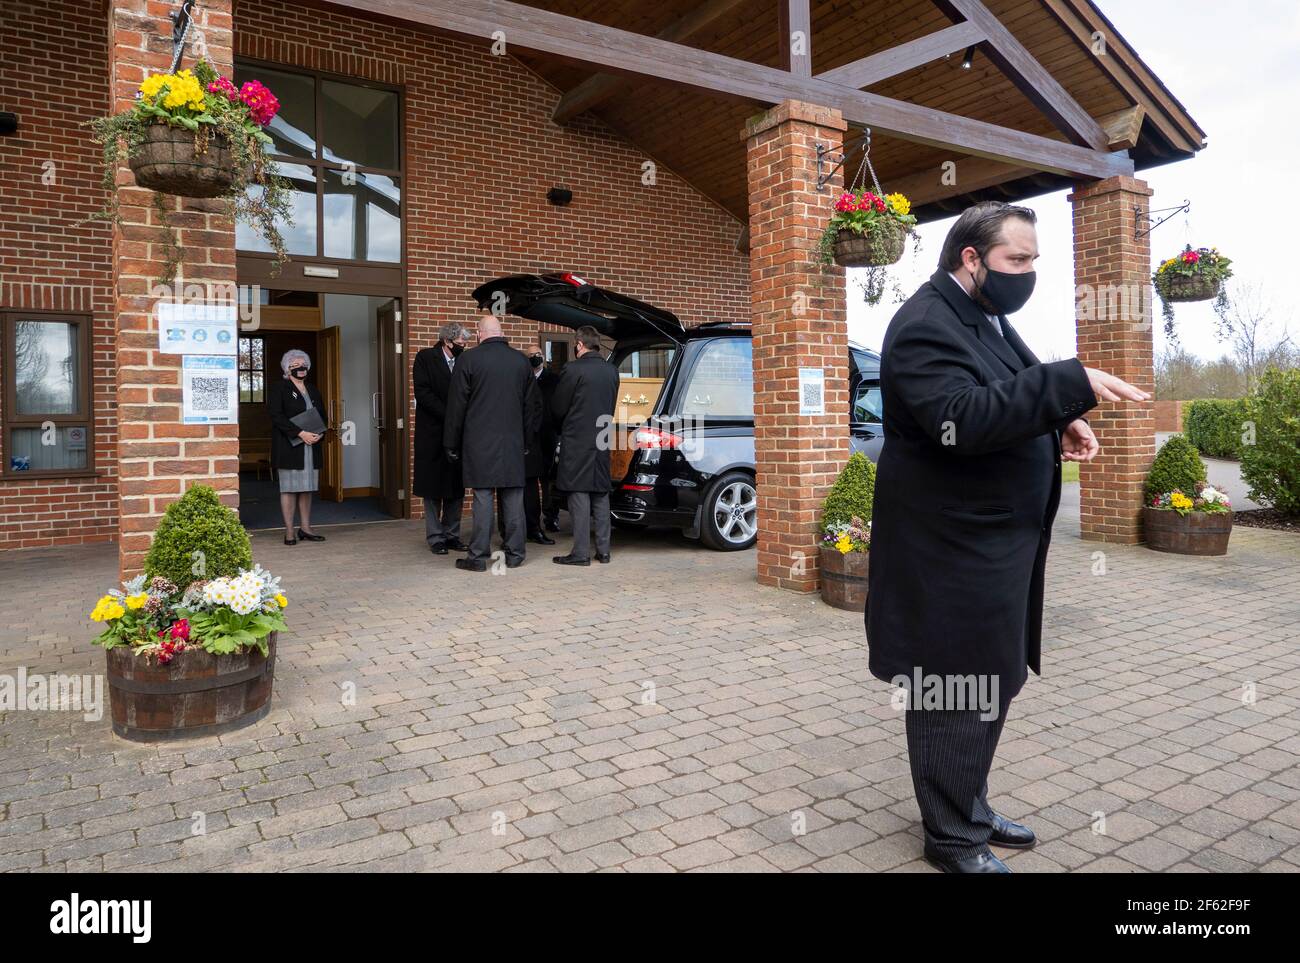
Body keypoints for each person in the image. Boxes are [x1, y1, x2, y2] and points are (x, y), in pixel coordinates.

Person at [865, 201, 1149, 874]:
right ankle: (952, 836)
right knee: (955, 686)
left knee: (995, 677)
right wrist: (1071, 382)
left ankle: (970, 803)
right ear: (972, 258)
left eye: (1033, 260)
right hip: (948, 551)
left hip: (995, 548)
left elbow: (1011, 391)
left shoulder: (983, 317)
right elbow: (957, 417)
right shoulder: (925, 325)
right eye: (1017, 260)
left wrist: (1059, 421)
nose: (1029, 273)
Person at [443, 310, 541, 572]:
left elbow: (457, 407)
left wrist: (451, 443)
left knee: (483, 498)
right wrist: (526, 440)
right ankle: (516, 554)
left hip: (478, 442)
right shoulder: (521, 362)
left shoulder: (469, 360)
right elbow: (530, 406)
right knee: (513, 498)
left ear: (479, 334)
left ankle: (477, 557)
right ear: (500, 333)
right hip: (513, 442)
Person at [551, 326, 620, 566]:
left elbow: (559, 407)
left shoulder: (572, 369)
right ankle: (604, 551)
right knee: (600, 492)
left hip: (577, 439)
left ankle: (580, 553)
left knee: (578, 493)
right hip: (602, 436)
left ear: (579, 344)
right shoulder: (611, 371)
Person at [413, 322, 470, 555]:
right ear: (447, 341)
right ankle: (436, 537)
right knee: (433, 487)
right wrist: (451, 415)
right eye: (460, 344)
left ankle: (452, 535)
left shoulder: (464, 361)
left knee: (456, 488)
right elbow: (423, 393)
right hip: (432, 433)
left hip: (458, 435)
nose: (463, 348)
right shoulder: (425, 358)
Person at [498, 342, 559, 545]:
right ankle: (507, 532)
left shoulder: (534, 382)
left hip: (531, 442)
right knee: (506, 489)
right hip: (508, 442)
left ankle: (534, 529)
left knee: (532, 489)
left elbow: (536, 408)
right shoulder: (509, 381)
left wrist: (528, 436)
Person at [267, 348, 328, 546]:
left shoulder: (313, 389)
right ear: (287, 369)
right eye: (295, 365)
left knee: (307, 488)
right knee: (289, 489)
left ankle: (306, 528)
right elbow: (276, 416)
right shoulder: (279, 388)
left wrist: (320, 433)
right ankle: (289, 531)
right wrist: (300, 433)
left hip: (311, 446)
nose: (300, 368)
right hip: (290, 446)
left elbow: (322, 414)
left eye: (303, 365)